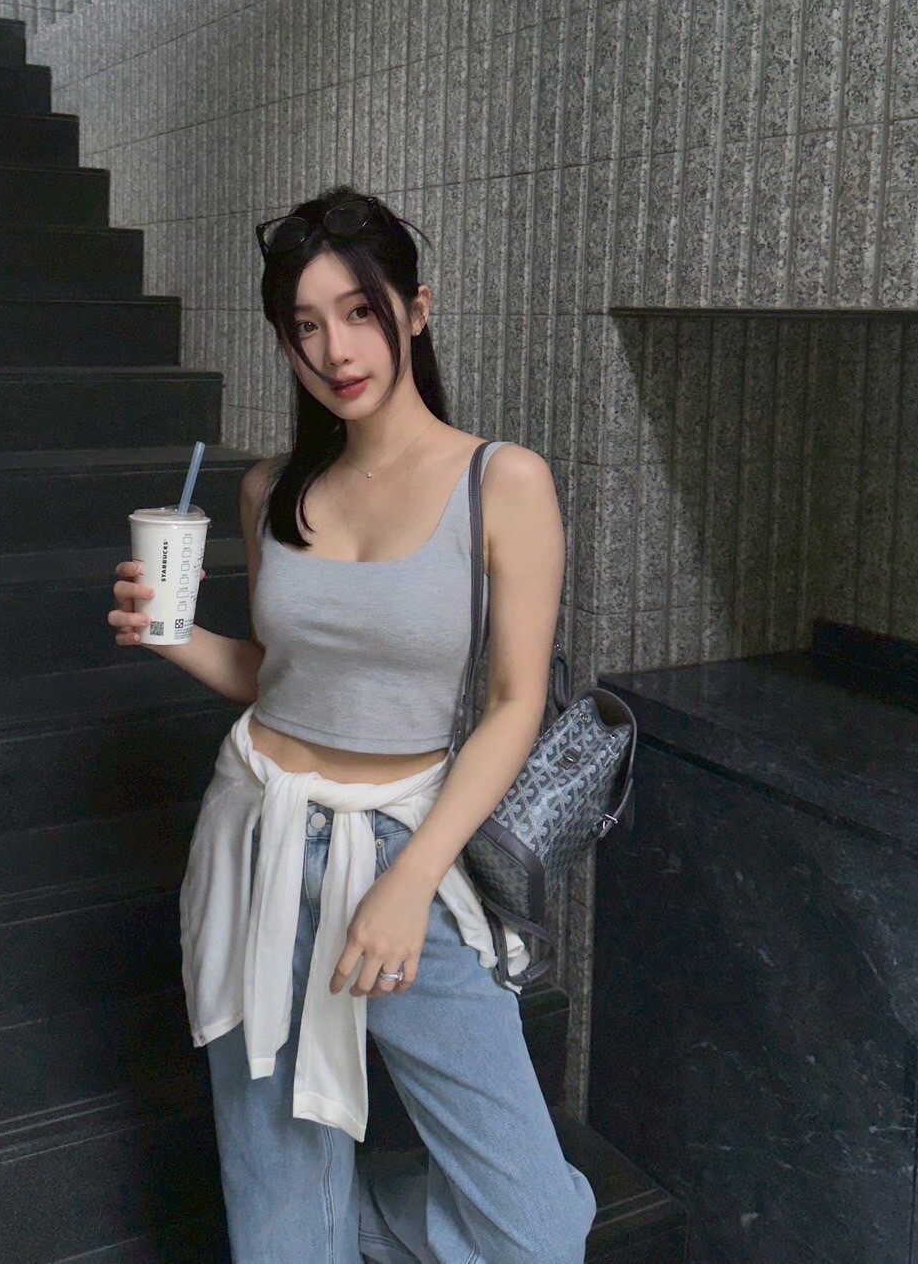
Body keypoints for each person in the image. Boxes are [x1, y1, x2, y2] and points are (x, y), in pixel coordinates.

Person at [109, 185, 597, 1262]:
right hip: (257, 835)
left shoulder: (502, 481)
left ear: (415, 310)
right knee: (280, 1208)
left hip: (404, 847)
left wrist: (412, 877)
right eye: (306, 326)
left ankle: (346, 1225)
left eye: (361, 311)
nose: (336, 349)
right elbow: (277, 676)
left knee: (534, 1228)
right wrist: (170, 636)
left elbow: (514, 703)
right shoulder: (271, 491)